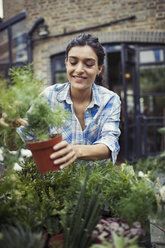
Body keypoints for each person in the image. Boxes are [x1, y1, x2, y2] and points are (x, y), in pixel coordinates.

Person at [1, 33, 121, 169]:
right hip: (57, 184)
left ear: (99, 69)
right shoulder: (49, 96)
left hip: (96, 185)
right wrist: (11, 127)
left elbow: (109, 144)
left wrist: (75, 150)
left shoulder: (109, 99)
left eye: (88, 64)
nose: (79, 69)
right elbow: (14, 145)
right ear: (66, 64)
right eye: (73, 62)